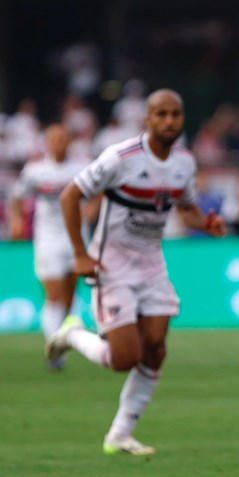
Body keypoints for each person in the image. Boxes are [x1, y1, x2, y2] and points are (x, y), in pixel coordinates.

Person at [46, 89, 226, 455]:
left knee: (156, 349)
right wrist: (80, 254)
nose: (169, 121)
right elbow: (70, 196)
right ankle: (73, 333)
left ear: (182, 119)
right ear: (147, 119)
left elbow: (186, 208)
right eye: (161, 114)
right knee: (124, 359)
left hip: (151, 264)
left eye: (175, 114)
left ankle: (120, 433)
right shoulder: (120, 157)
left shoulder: (184, 164)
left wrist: (203, 224)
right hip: (110, 264)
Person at [10, 124, 94, 369]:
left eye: (63, 139)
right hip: (47, 238)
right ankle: (55, 351)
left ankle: (62, 339)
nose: (58, 144)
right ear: (47, 143)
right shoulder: (36, 171)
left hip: (75, 237)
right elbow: (17, 196)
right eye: (54, 140)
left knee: (69, 296)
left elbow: (100, 192)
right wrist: (17, 219)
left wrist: (91, 209)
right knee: (54, 295)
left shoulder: (81, 169)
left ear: (69, 142)